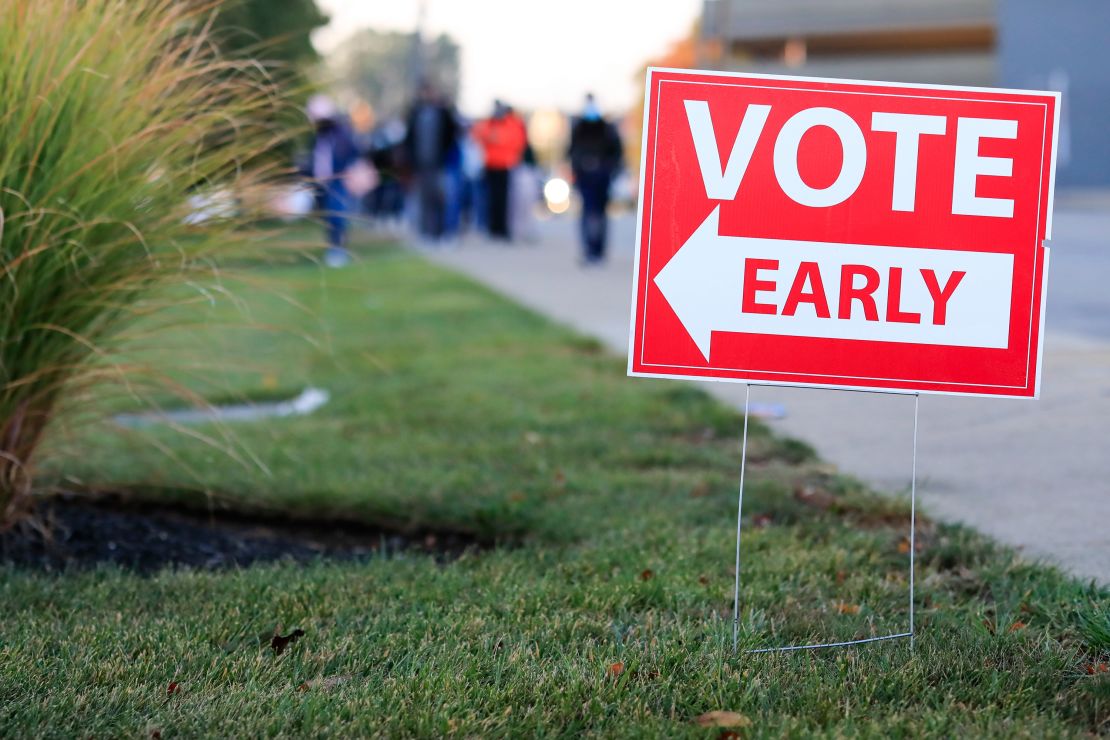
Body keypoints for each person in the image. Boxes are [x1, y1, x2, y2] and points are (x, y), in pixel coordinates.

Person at [304, 95, 359, 267]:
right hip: (324, 182)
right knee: (329, 216)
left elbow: (352, 153)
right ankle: (334, 246)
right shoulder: (319, 137)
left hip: (338, 180)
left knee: (337, 215)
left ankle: (338, 249)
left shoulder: (341, 135)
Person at [568, 94, 623, 265]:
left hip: (602, 177)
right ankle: (589, 249)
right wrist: (581, 167)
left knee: (599, 215)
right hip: (586, 178)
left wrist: (607, 169)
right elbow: (572, 151)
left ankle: (598, 251)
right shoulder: (579, 129)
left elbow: (617, 152)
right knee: (588, 214)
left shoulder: (607, 129)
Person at [404, 82, 459, 243]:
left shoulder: (442, 113)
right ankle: (427, 232)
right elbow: (409, 139)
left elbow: (451, 134)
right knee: (424, 200)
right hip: (421, 165)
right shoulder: (415, 114)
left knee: (441, 199)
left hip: (439, 164)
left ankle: (441, 233)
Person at [472, 100, 527, 240]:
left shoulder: (512, 124)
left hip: (505, 165)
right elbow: (478, 136)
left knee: (504, 199)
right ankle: (491, 228)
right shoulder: (488, 123)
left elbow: (516, 142)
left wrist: (497, 139)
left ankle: (502, 229)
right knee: (490, 198)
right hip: (490, 164)